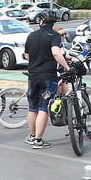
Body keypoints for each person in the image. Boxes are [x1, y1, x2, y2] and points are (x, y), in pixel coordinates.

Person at [24, 13, 69, 149]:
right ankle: (38, 140)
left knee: (32, 108)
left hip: (33, 76)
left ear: (41, 21)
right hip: (48, 77)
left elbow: (27, 56)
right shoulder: (54, 36)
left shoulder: (31, 35)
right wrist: (67, 67)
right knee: (44, 108)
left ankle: (31, 137)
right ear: (53, 23)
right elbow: (56, 52)